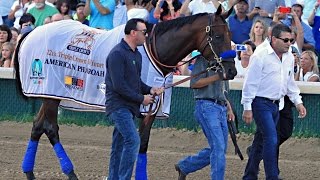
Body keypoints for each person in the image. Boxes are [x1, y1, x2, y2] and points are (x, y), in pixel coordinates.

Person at [241, 23, 307, 180]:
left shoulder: (289, 55)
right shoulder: (260, 55)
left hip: (277, 104)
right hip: (260, 103)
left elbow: (289, 82)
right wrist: (247, 107)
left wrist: (298, 102)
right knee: (271, 139)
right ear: (273, 39)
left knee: (260, 143)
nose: (289, 43)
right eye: (285, 40)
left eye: (291, 40)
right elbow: (250, 83)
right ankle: (272, 176)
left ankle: (249, 176)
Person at [105, 18, 164, 180]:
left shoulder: (136, 55)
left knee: (118, 146)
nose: (146, 35)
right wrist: (141, 98)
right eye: (144, 32)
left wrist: (150, 89)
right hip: (118, 107)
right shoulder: (117, 54)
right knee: (133, 141)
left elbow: (135, 82)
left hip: (128, 107)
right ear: (133, 33)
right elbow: (119, 86)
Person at [175, 56, 235, 180]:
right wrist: (217, 76)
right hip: (206, 105)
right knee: (219, 148)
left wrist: (228, 107)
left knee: (219, 148)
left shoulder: (224, 61)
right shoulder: (203, 60)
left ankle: (185, 166)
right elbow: (195, 83)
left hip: (220, 106)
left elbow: (224, 89)